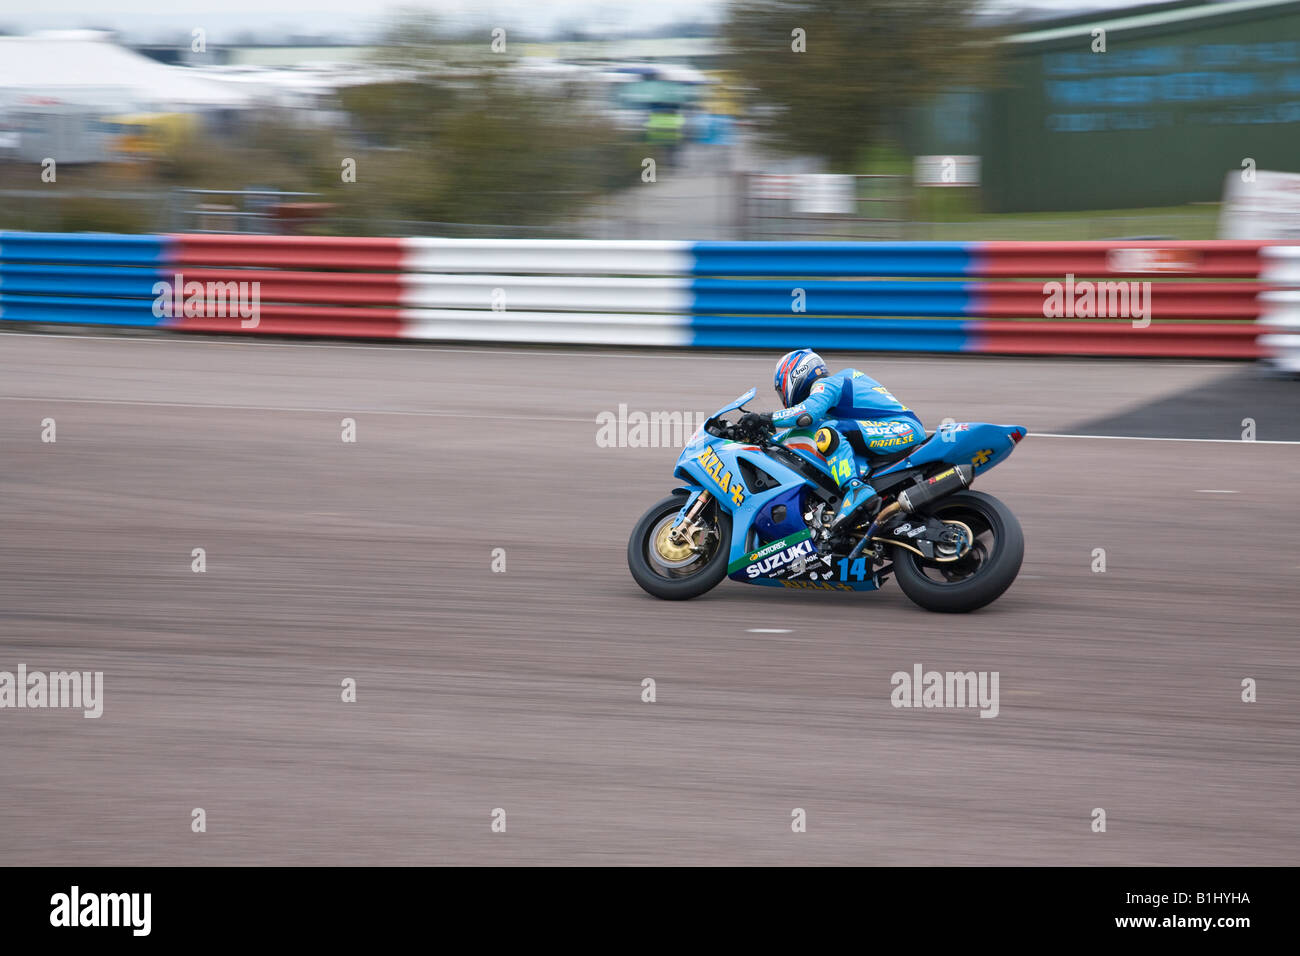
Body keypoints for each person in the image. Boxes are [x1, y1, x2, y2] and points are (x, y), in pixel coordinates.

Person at [743, 349, 926, 531]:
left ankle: (855, 489)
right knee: (827, 429)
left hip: (902, 428)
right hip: (894, 428)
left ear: (794, 375)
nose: (784, 398)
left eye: (781, 392)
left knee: (828, 432)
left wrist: (765, 418)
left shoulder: (827, 384)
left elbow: (807, 413)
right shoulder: (842, 383)